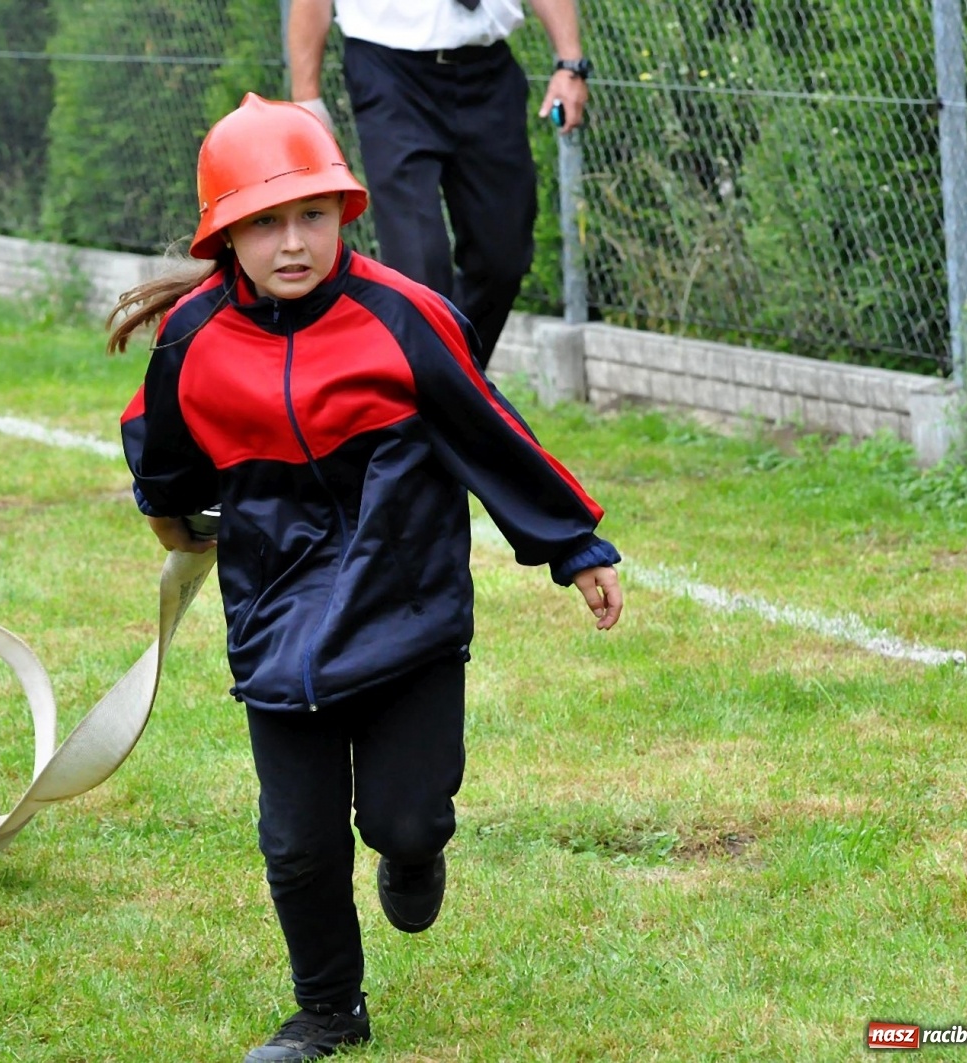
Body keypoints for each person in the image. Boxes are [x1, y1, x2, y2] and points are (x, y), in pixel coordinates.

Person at [110, 94, 622, 1062]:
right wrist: (170, 520)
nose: (292, 241)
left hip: (407, 605)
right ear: (225, 234)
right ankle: (328, 1011)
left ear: (344, 213)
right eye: (264, 222)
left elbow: (490, 433)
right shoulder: (193, 338)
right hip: (276, 623)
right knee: (296, 840)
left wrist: (573, 546)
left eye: (311, 215)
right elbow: (160, 457)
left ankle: (416, 849)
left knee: (404, 813)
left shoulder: (405, 318)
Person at [287, 0, 591, 370]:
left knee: (504, 257)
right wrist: (307, 98)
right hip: (390, 76)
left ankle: (453, 381)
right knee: (419, 264)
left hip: (489, 73)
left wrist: (570, 64)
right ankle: (438, 399)